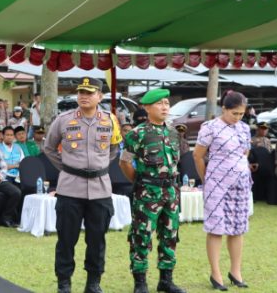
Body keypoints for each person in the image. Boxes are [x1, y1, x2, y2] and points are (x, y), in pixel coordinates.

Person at [45, 77, 122, 293]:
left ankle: (93, 283)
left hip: (100, 190)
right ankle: (64, 283)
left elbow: (115, 148)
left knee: (97, 240)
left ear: (100, 96)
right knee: (66, 240)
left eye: (89, 93)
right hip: (70, 188)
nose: (84, 96)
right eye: (81, 92)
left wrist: (100, 167)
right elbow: (49, 148)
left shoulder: (110, 120)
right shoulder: (63, 120)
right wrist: (69, 168)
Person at [119, 88, 185, 293]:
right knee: (141, 235)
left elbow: (176, 163)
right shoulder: (136, 134)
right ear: (147, 107)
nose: (165, 107)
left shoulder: (174, 132)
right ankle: (140, 283)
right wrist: (141, 182)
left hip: (171, 193)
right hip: (147, 193)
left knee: (170, 235)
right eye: (159, 103)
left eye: (166, 103)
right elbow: (124, 162)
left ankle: (166, 280)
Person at [192, 90, 252, 291]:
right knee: (216, 228)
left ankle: (236, 271)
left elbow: (245, 153)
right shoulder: (210, 127)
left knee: (238, 228)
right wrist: (206, 179)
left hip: (241, 184)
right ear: (224, 108)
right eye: (234, 113)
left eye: (241, 114)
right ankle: (216, 274)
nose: (237, 118)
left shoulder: (244, 128)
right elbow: (198, 156)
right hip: (216, 184)